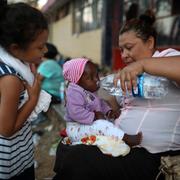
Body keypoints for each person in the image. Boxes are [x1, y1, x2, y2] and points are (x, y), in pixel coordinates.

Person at [53, 15, 180, 180]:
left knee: (79, 158)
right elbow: (111, 103)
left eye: (129, 47)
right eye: (121, 50)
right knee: (66, 147)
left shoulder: (166, 58)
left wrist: (142, 64)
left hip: (153, 155)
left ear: (149, 42)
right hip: (120, 145)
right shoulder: (129, 74)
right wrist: (83, 96)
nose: (124, 55)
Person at [0, 1, 51, 179]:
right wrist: (33, 99)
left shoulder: (19, 64)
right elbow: (6, 130)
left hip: (21, 153)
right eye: (39, 46)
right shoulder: (11, 79)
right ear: (15, 48)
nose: (44, 50)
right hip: (10, 162)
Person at [62, 58, 142, 151]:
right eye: (90, 78)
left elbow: (100, 103)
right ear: (77, 81)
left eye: (97, 75)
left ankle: (119, 139)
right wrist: (94, 116)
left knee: (110, 122)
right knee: (101, 125)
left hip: (87, 125)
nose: (96, 80)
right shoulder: (74, 91)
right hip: (75, 128)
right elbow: (75, 112)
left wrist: (109, 112)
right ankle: (127, 139)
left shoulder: (89, 90)